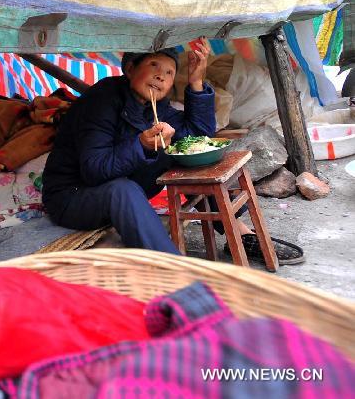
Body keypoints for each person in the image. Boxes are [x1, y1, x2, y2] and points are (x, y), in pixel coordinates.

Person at [41, 41, 297, 261]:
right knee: (123, 190)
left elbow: (197, 135)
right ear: (130, 69)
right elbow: (94, 170)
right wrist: (140, 145)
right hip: (73, 196)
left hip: (120, 185)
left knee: (186, 151)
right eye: (153, 66)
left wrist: (197, 82)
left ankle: (238, 234)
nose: (161, 76)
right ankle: (172, 269)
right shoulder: (102, 100)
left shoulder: (157, 106)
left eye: (169, 72)